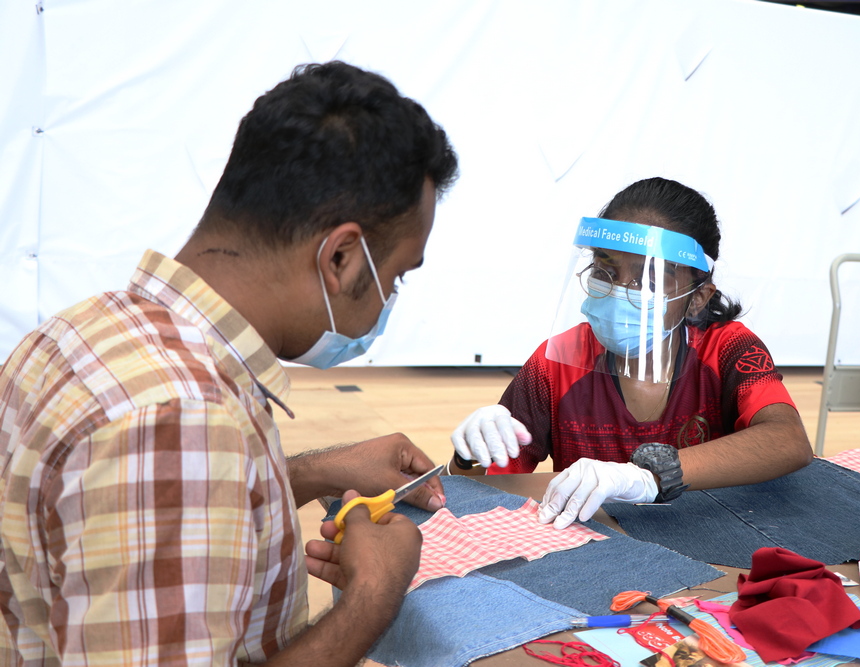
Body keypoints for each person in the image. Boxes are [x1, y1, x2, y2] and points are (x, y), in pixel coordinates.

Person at [0, 61, 457, 666]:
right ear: (341, 256)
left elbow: (148, 516)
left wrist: (318, 471)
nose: (390, 298)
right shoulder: (180, 421)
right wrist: (372, 598)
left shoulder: (86, 333)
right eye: (395, 274)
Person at [450, 177, 812, 528]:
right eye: (606, 270)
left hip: (712, 536)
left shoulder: (727, 348)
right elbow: (486, 492)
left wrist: (650, 477)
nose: (620, 290)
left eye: (649, 279)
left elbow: (787, 441)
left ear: (696, 298)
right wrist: (469, 456)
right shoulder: (555, 363)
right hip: (594, 546)